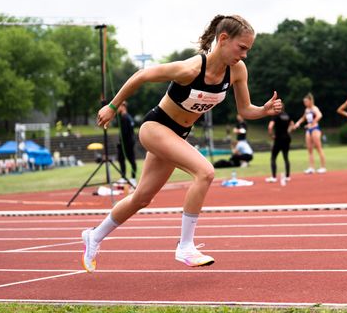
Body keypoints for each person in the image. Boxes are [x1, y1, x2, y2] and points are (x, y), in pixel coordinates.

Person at [83, 15, 282, 272]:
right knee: (205, 172)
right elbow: (142, 75)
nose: (244, 55)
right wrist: (112, 106)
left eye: (248, 50)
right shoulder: (189, 69)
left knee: (141, 197)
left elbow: (245, 110)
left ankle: (94, 236)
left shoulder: (237, 71)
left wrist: (264, 110)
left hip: (177, 135)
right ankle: (185, 246)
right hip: (155, 127)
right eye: (241, 48)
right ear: (223, 39)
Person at [293, 93, 326, 174]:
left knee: (318, 148)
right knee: (309, 149)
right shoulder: (307, 110)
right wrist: (298, 123)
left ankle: (323, 167)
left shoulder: (314, 108)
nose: (305, 103)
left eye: (306, 102)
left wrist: (311, 124)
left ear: (310, 101)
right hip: (308, 130)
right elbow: (303, 118)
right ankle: (311, 168)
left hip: (315, 129)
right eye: (304, 102)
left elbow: (319, 116)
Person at [266, 108, 294, 184]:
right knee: (286, 157)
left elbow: (270, 127)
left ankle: (274, 177)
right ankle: (288, 176)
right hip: (287, 138)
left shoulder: (275, 115)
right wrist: (288, 131)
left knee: (273, 157)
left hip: (278, 139)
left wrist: (271, 135)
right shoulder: (287, 115)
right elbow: (292, 125)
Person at [116, 101, 137, 184]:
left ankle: (133, 178)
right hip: (125, 143)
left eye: (118, 106)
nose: (117, 109)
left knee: (131, 160)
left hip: (127, 144)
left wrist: (122, 143)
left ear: (123, 107)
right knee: (121, 159)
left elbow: (126, 133)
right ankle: (124, 177)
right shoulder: (125, 117)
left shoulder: (126, 118)